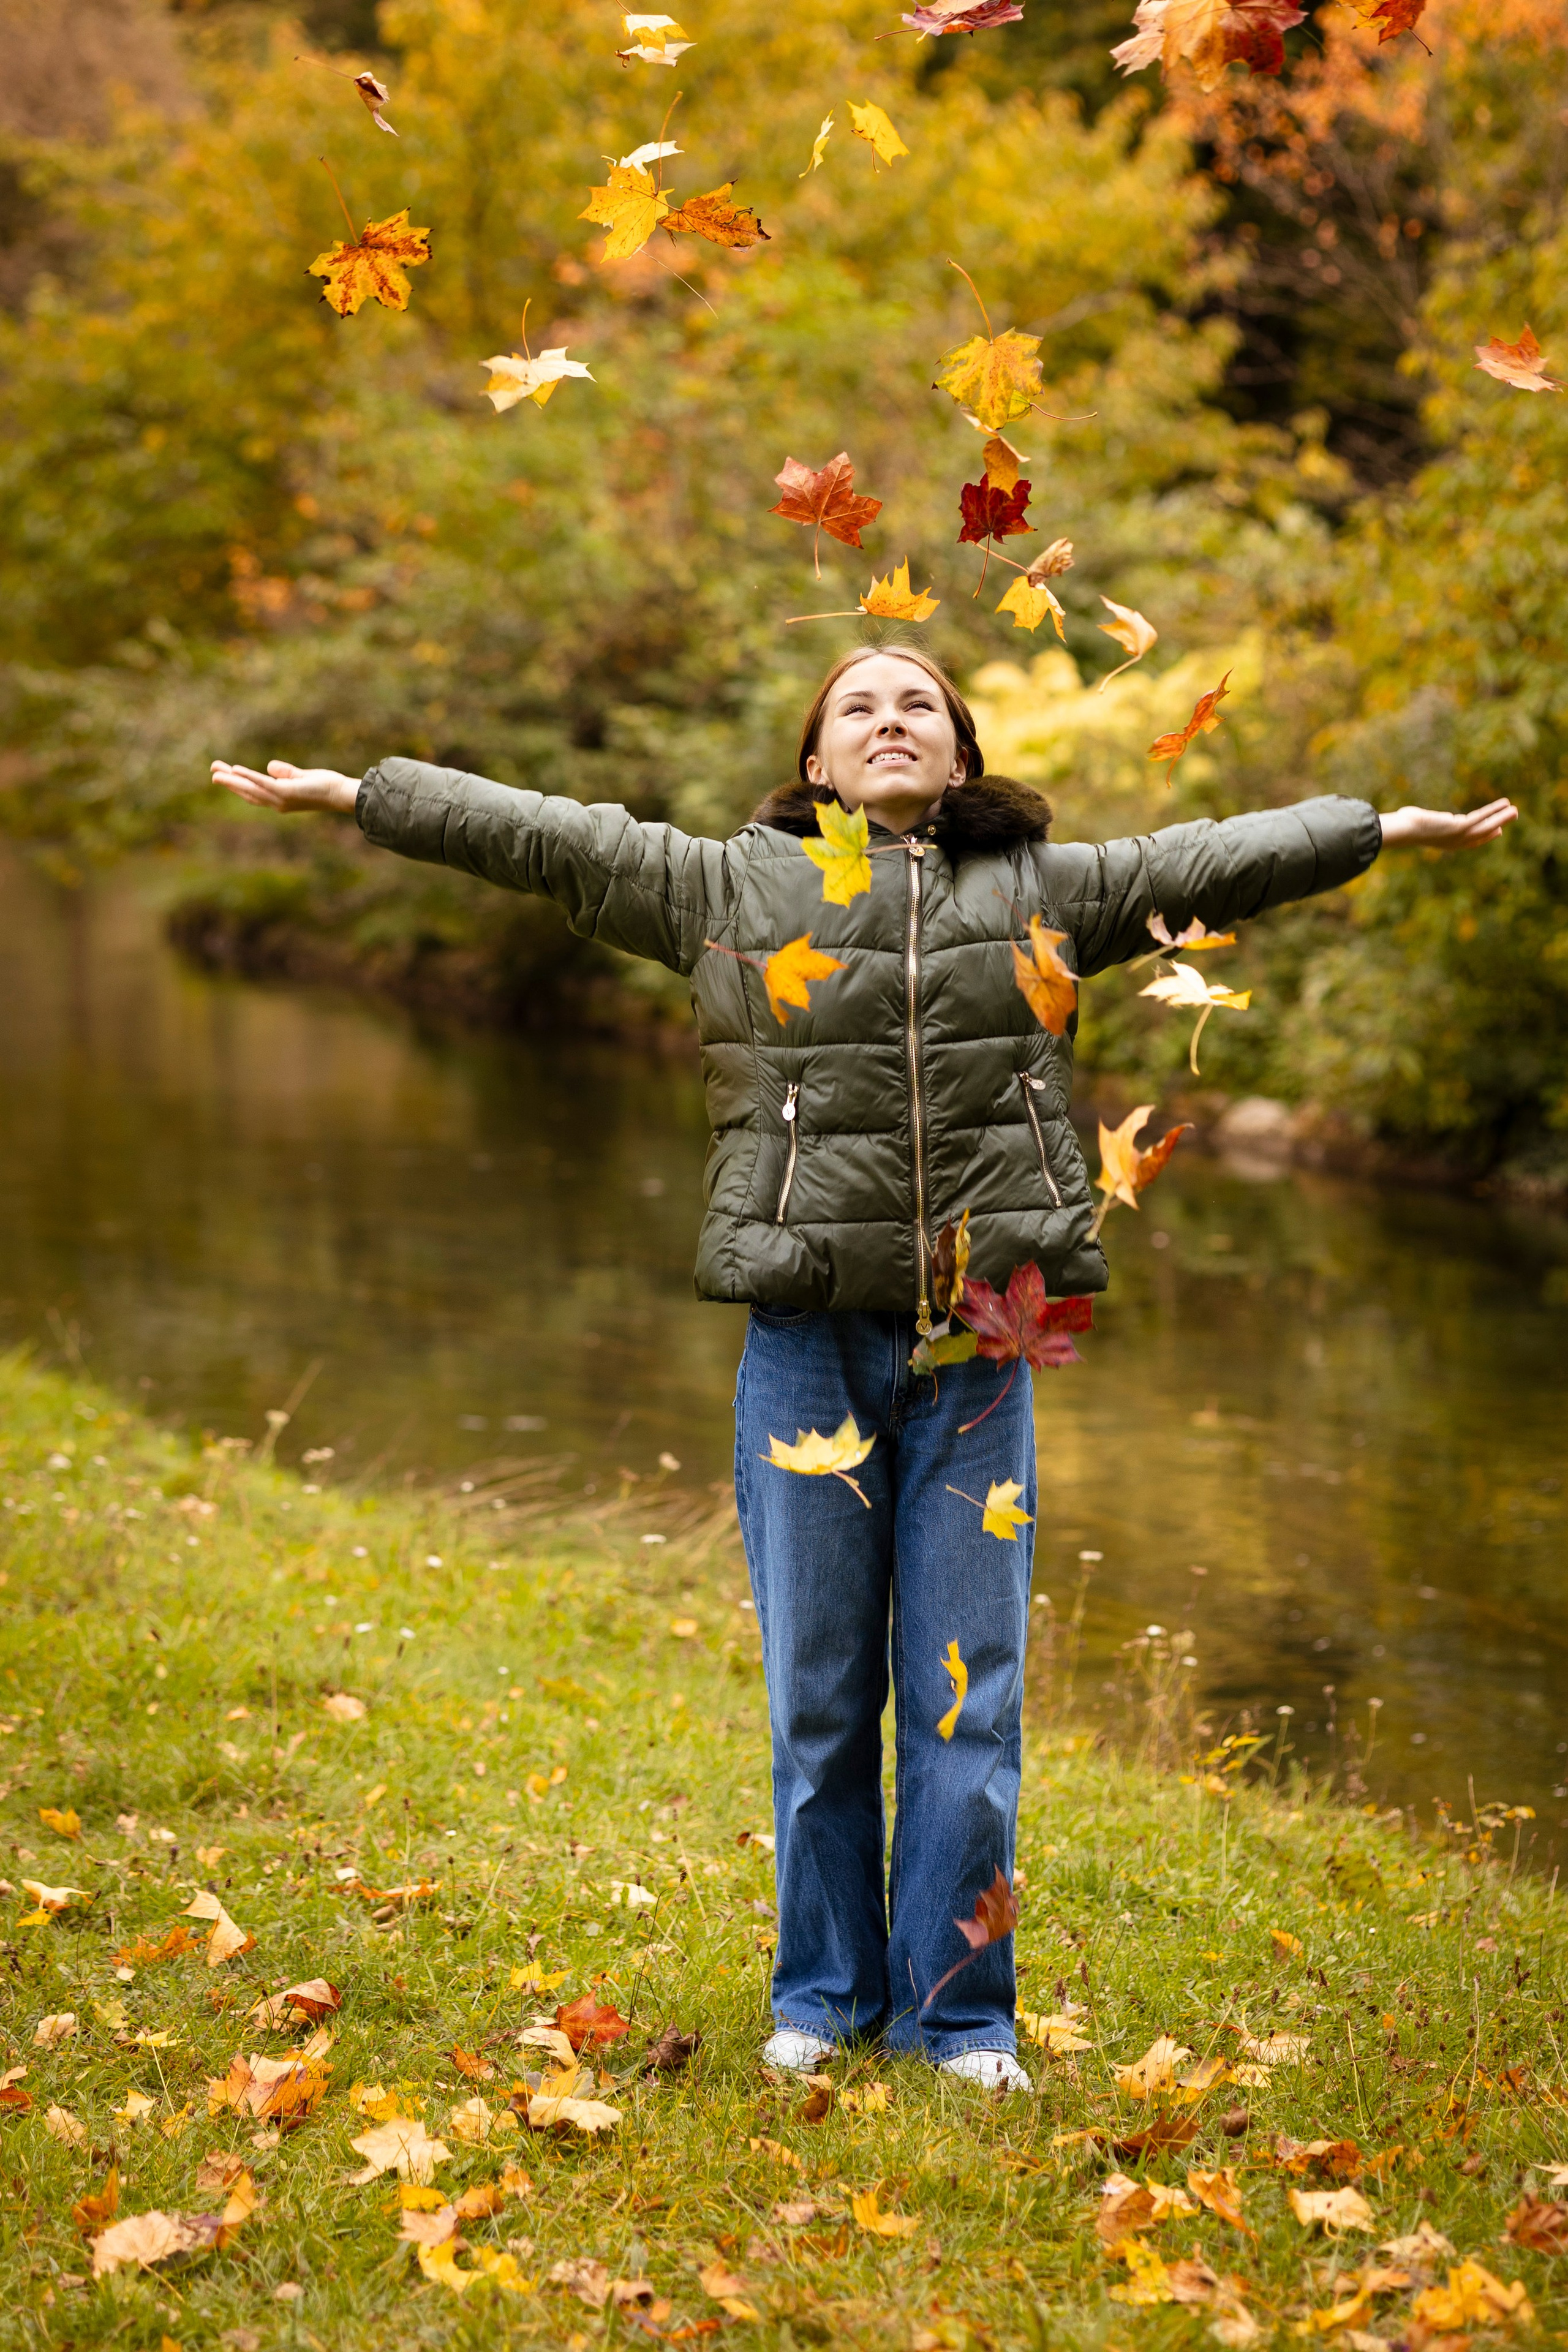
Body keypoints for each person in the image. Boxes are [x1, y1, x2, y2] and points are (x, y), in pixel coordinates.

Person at [213, 646, 1516, 2091]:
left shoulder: (1044, 891)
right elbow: (540, 836)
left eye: (919, 705)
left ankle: (960, 2020)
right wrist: (362, 796)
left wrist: (1371, 828)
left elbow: (1209, 856)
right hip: (804, 1350)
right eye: (857, 706)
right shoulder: (726, 891)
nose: (889, 720)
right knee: (821, 1699)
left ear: (957, 757)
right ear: (815, 763)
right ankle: (823, 2000)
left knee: (968, 1702)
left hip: (980, 1351)